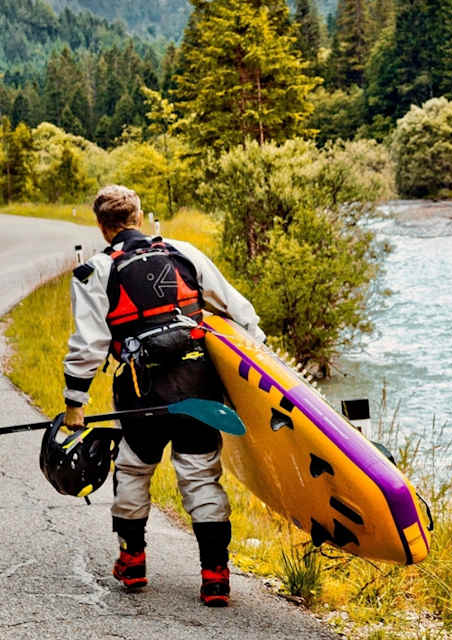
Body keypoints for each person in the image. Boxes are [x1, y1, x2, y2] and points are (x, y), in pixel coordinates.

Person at [62, 184, 265, 607]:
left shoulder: (96, 270)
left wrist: (74, 402)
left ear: (103, 227)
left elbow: (89, 343)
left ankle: (132, 563)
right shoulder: (183, 252)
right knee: (200, 475)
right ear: (138, 215)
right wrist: (261, 373)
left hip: (141, 393)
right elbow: (238, 311)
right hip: (198, 385)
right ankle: (215, 577)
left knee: (134, 470)